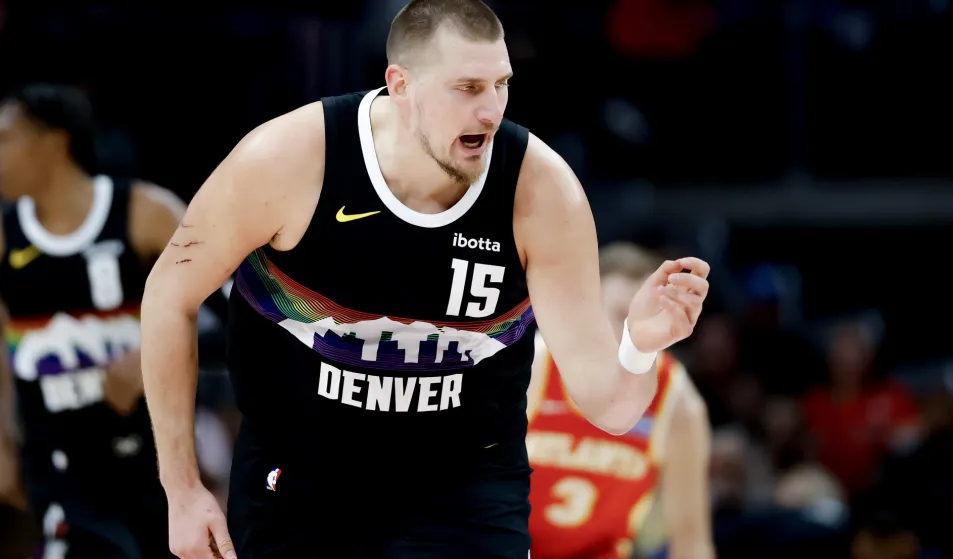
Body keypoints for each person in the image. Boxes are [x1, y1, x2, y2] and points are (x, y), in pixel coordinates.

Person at [139, 1, 711, 557]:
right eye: (467, 88)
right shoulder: (289, 159)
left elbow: (610, 408)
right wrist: (182, 491)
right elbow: (169, 296)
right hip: (300, 474)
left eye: (501, 85)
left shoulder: (541, 192)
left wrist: (638, 344)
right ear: (401, 86)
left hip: (463, 486)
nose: (491, 110)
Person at [0, 83, 186, 558]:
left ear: (53, 141)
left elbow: (234, 311)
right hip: (56, 460)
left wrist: (149, 357)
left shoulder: (145, 211)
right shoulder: (5, 234)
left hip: (154, 453)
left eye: (6, 139)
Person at [527, 242, 713, 559]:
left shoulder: (678, 401)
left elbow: (691, 541)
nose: (631, 333)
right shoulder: (533, 366)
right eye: (619, 316)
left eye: (642, 317)